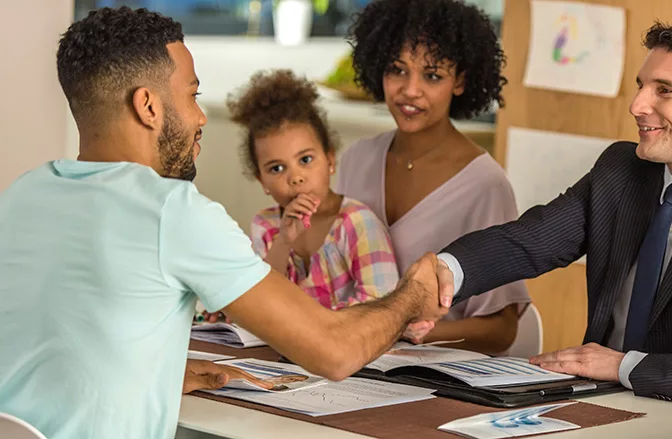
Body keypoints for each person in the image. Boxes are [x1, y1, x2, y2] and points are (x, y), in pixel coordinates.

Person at [0, 8, 450, 439]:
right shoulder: (170, 210)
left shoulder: (23, 194)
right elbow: (334, 351)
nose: (199, 117)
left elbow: (55, 335)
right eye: (192, 94)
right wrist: (413, 296)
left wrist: (160, 371)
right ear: (148, 107)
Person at [435, 18, 672, 414]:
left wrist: (622, 366)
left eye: (664, 91)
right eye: (641, 85)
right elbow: (530, 241)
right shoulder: (620, 169)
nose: (637, 106)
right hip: (593, 407)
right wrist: (443, 273)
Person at [336, 0, 530, 355]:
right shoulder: (356, 160)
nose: (410, 90)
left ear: (460, 82)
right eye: (397, 70)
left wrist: (408, 331)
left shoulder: (485, 186)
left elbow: (503, 329)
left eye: (432, 75)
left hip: (430, 374)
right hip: (348, 361)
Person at [227, 70, 399, 310]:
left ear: (330, 160)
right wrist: (283, 242)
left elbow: (384, 306)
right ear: (262, 181)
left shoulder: (357, 223)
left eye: (305, 160)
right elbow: (260, 303)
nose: (295, 177)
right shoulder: (265, 226)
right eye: (276, 168)